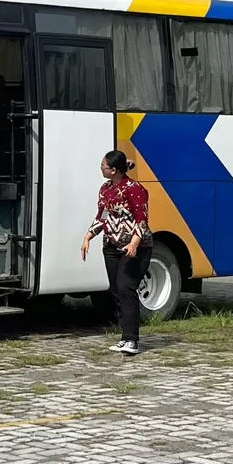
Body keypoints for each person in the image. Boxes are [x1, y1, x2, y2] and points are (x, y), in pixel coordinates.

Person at [80, 150, 152, 356]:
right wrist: (88, 237)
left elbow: (141, 218)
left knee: (126, 287)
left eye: (103, 166)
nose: (101, 169)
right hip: (112, 246)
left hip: (135, 247)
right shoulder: (106, 189)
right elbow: (102, 216)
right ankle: (124, 336)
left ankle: (131, 339)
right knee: (116, 289)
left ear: (114, 170)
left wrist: (134, 242)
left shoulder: (134, 189)